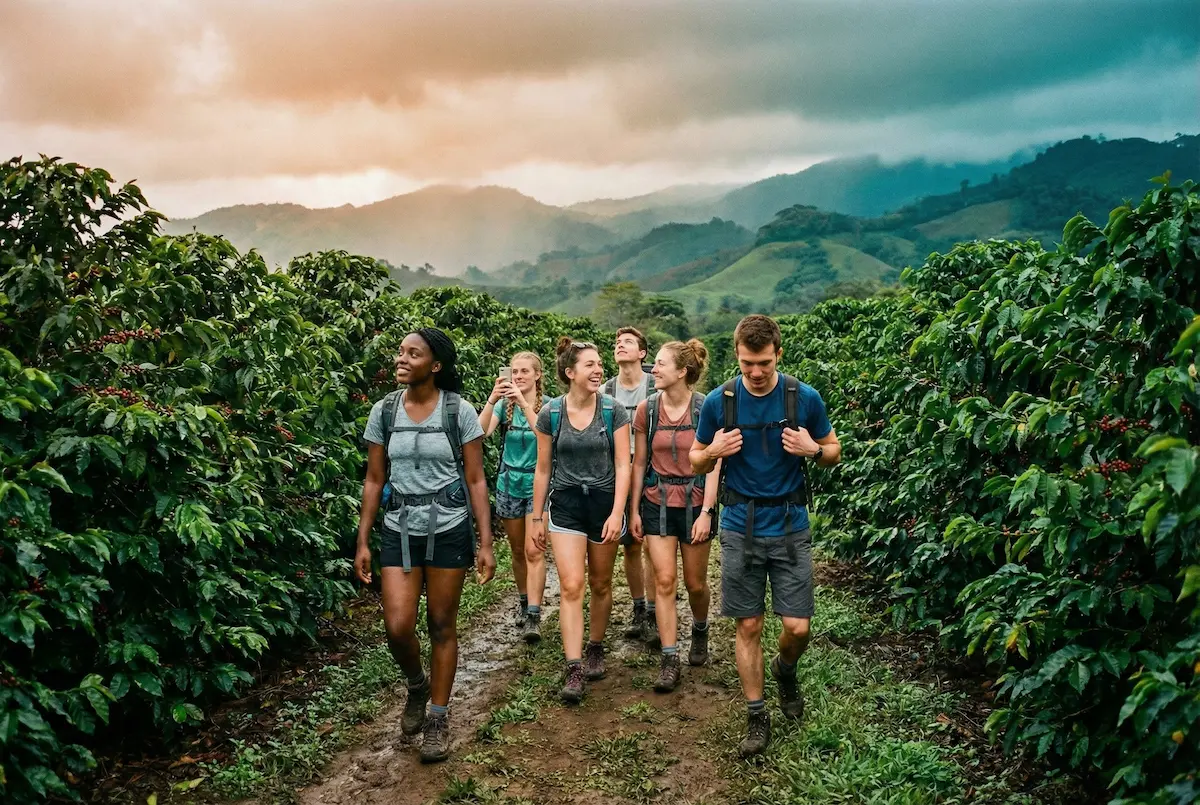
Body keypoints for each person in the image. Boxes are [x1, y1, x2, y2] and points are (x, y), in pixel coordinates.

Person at [689, 314, 841, 757]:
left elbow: (833, 449)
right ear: (736, 356)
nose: (755, 373)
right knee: (749, 622)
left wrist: (814, 450)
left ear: (778, 355)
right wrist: (712, 452)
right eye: (746, 363)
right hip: (740, 524)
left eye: (764, 364)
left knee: (797, 626)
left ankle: (786, 669)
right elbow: (697, 458)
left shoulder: (802, 397)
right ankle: (757, 714)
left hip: (791, 523)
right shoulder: (721, 401)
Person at [355, 328, 496, 764]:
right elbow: (375, 478)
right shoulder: (385, 411)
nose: (401, 359)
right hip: (398, 527)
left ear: (435, 366)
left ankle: (437, 717)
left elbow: (475, 479)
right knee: (397, 626)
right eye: (400, 352)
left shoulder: (459, 411)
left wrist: (484, 541)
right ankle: (417, 684)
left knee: (440, 624)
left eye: (412, 354)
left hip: (449, 526)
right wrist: (363, 538)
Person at [531, 338, 632, 704]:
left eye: (599, 364)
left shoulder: (614, 411)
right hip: (567, 505)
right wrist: (536, 516)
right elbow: (543, 469)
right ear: (570, 373)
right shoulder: (550, 414)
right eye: (590, 365)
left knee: (601, 583)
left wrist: (618, 511)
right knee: (572, 586)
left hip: (605, 503)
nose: (598, 370)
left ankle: (595, 646)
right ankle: (573, 666)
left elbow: (624, 464)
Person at [629, 339, 721, 693]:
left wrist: (707, 512)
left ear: (682, 371)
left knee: (695, 584)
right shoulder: (646, 410)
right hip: (657, 500)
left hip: (696, 500)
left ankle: (700, 627)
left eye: (661, 363)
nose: (654, 369)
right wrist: (635, 509)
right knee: (665, 581)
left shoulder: (705, 408)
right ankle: (670, 658)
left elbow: (714, 463)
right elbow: (640, 463)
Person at [479, 352, 550, 643]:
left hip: (537, 485)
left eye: (524, 371)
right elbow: (479, 433)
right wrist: (492, 400)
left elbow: (544, 436)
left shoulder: (547, 408)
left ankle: (534, 614)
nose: (518, 376)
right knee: (518, 549)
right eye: (514, 371)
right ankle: (524, 602)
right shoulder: (504, 406)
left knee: (535, 550)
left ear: (537, 376)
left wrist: (522, 401)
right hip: (509, 484)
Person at [603, 326, 659, 646]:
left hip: (650, 469)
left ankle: (653, 611)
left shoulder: (654, 386)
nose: (620, 346)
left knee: (652, 543)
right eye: (617, 342)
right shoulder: (607, 389)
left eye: (627, 342)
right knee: (630, 544)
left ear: (642, 353)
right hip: (618, 471)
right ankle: (639, 609)